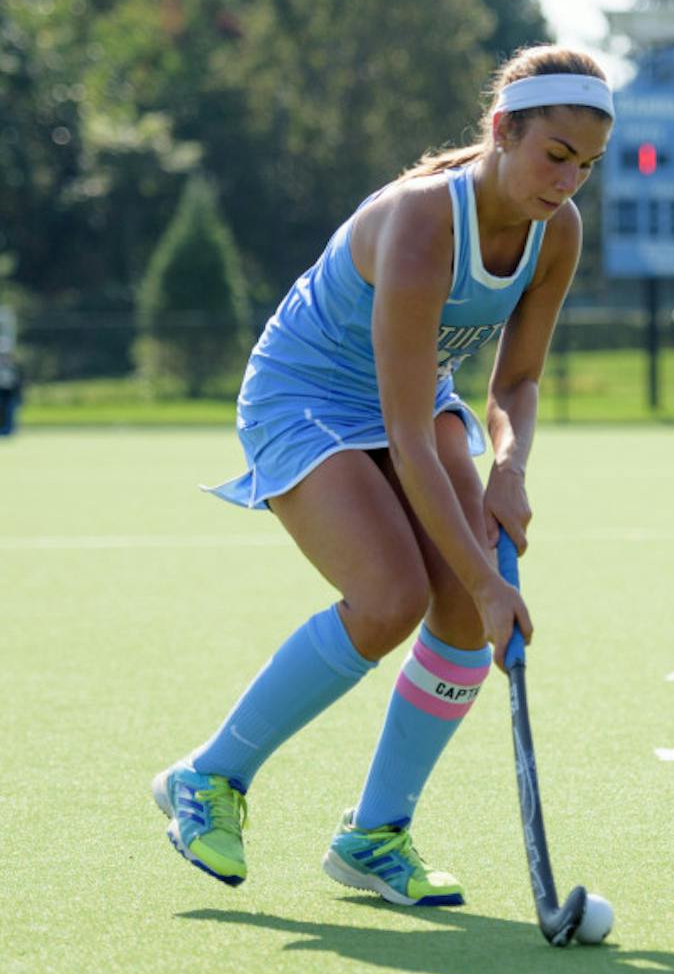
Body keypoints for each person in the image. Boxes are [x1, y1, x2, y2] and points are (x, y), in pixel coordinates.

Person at [150, 46, 613, 905]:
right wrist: (486, 577)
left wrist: (510, 467)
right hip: (307, 394)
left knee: (464, 622)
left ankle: (374, 834)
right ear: (504, 130)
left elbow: (514, 380)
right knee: (390, 594)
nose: (568, 181)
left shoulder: (560, 232)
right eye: (556, 156)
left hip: (410, 391)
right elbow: (405, 435)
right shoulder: (425, 218)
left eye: (586, 166)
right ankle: (207, 777)